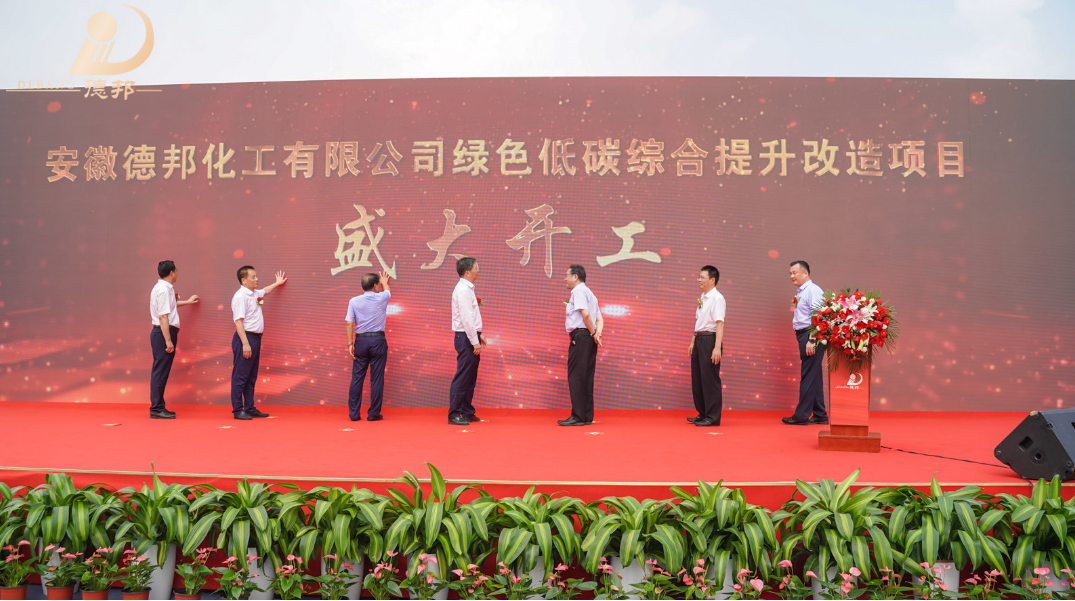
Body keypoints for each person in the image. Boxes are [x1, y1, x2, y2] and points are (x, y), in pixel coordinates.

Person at [230, 265, 287, 420]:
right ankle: (238, 410)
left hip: (255, 339)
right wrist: (245, 343)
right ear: (244, 280)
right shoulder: (240, 297)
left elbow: (265, 291)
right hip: (245, 339)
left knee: (251, 376)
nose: (256, 279)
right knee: (240, 376)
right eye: (253, 277)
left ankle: (249, 408)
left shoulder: (254, 293)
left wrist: (277, 283)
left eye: (256, 276)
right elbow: (238, 322)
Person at [148, 260, 199, 419]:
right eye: (176, 271)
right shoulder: (164, 290)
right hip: (163, 333)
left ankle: (159, 406)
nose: (177, 273)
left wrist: (187, 302)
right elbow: (163, 316)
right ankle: (156, 408)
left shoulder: (164, 288)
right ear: (171, 273)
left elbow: (170, 306)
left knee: (161, 371)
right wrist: (168, 340)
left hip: (163, 332)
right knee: (160, 371)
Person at [783, 260, 828, 425]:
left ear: (805, 273)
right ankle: (820, 414)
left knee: (808, 375)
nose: (792, 276)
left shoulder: (812, 290)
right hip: (805, 335)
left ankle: (801, 416)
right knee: (814, 375)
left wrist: (812, 339)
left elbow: (818, 315)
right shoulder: (802, 291)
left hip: (811, 335)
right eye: (790, 273)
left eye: (794, 273)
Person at [558, 264, 603, 426]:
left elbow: (586, 314)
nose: (564, 279)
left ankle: (577, 416)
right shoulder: (591, 293)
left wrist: (592, 332)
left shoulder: (578, 291)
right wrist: (596, 333)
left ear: (575, 277)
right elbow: (599, 318)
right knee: (586, 376)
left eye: (566, 275)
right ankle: (586, 416)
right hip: (589, 338)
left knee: (576, 376)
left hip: (581, 336)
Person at [344, 271, 392, 422]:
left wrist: (350, 343)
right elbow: (388, 291)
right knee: (377, 379)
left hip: (360, 342)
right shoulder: (382, 297)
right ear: (376, 286)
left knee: (357, 378)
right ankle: (373, 414)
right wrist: (385, 282)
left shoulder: (353, 301)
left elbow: (349, 323)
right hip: (378, 340)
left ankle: (354, 414)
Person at [449, 257, 487, 425]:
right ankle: (454, 414)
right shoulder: (463, 290)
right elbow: (466, 318)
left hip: (469, 336)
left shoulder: (467, 288)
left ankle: (467, 411)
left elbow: (472, 317)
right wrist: (474, 341)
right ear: (467, 272)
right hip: (465, 337)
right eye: (476, 267)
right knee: (463, 376)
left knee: (470, 376)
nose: (479, 270)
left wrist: (479, 335)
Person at [687, 265, 725, 427]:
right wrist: (693, 341)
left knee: (709, 379)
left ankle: (712, 417)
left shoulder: (717, 298)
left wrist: (717, 347)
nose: (699, 280)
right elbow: (699, 322)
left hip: (710, 340)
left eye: (702, 277)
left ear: (712, 280)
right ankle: (702, 413)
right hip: (699, 339)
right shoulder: (703, 297)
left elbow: (720, 323)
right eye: (699, 277)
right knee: (698, 379)